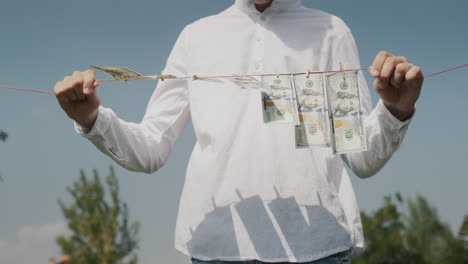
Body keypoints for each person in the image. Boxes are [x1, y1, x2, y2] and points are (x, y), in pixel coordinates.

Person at [54, 0, 423, 263]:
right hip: (215, 247)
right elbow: (151, 148)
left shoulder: (329, 31)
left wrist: (395, 109)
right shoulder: (196, 36)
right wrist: (93, 120)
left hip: (318, 247)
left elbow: (361, 156)